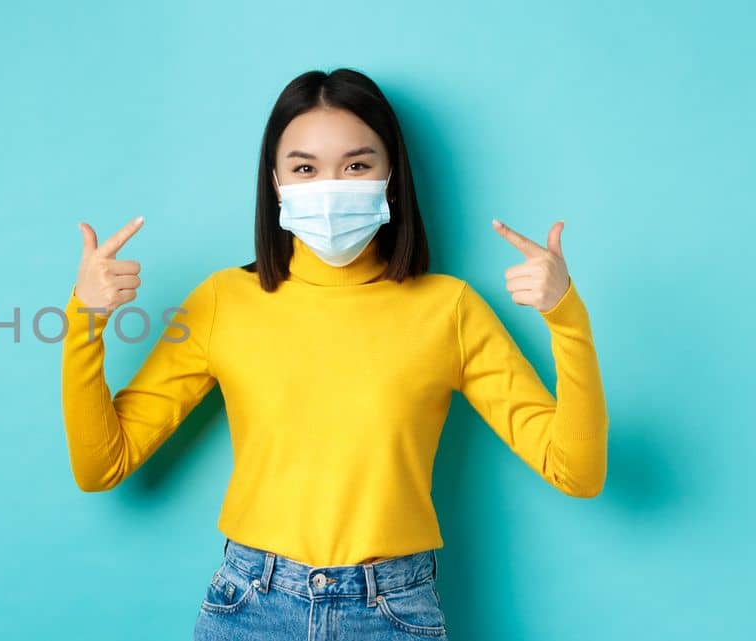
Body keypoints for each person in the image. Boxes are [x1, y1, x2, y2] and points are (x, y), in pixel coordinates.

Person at [60, 68, 608, 641]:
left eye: (356, 164)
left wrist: (567, 316)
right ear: (275, 182)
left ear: (391, 176)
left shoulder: (451, 309)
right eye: (304, 167)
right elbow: (102, 466)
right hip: (251, 603)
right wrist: (84, 318)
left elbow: (577, 471)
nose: (330, 185)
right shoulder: (224, 301)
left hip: (393, 610)